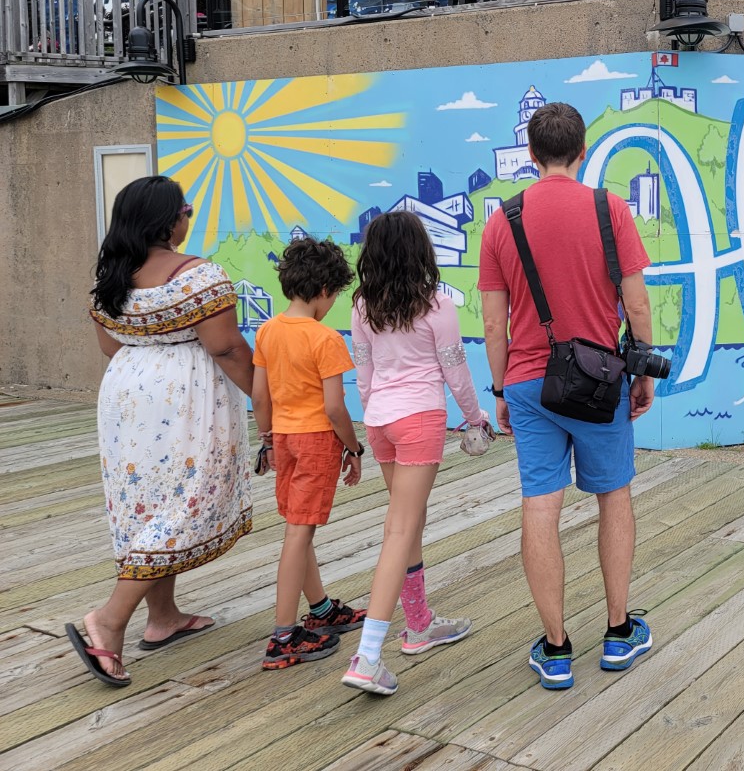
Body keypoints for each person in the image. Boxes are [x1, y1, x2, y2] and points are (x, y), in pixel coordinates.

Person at [479, 102, 656, 691]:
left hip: (530, 382)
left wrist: (502, 387)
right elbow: (635, 304)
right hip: (601, 381)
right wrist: (644, 372)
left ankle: (555, 648)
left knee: (539, 506)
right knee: (614, 496)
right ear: (584, 151)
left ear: (530, 155)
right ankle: (618, 630)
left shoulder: (502, 220)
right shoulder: (611, 210)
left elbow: (493, 320)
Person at [69, 176, 254, 686]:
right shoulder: (200, 278)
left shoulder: (111, 277)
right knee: (182, 504)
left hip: (126, 395)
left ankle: (164, 617)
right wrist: (267, 396)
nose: (188, 218)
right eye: (186, 210)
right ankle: (109, 620)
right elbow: (225, 347)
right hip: (186, 399)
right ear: (169, 219)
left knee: (145, 504)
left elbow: (111, 348)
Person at [343, 211, 492, 696]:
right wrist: (475, 419)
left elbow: (363, 375)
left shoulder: (362, 304)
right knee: (400, 529)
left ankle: (420, 624)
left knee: (410, 522)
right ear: (421, 251)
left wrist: (374, 416)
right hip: (420, 418)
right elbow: (456, 372)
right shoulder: (438, 305)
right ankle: (367, 657)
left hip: (381, 419)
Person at [251, 238, 367, 670]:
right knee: (299, 532)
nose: (333, 302)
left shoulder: (268, 330)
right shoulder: (326, 339)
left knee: (300, 528)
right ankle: (284, 636)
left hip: (281, 437)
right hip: (317, 440)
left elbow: (260, 396)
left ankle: (320, 610)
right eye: (335, 293)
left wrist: (266, 441)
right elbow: (335, 407)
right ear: (323, 287)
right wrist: (353, 447)